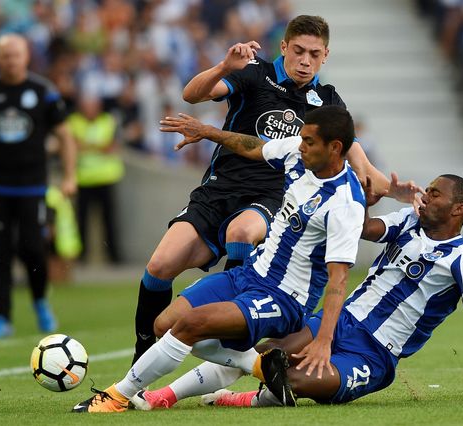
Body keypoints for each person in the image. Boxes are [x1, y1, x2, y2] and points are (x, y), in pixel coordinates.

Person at [131, 14, 419, 364]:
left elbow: (364, 167)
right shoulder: (255, 72)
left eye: (314, 54)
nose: (305, 60)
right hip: (218, 189)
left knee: (242, 230)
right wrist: (224, 65)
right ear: (284, 47)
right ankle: (142, 350)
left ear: (325, 55)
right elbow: (192, 95)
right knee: (160, 265)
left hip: (272, 197)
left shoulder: (327, 101)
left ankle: (230, 327)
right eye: (298, 51)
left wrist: (399, 193)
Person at [73, 105, 373, 413]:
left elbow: (338, 278)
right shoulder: (297, 154)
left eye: (310, 141)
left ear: (334, 147)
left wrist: (323, 342)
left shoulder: (345, 203)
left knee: (192, 324)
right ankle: (261, 365)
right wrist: (207, 132)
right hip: (250, 274)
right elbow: (255, 147)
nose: (302, 145)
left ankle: (116, 396)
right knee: (164, 324)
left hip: (285, 298)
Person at [128, 174, 463, 410]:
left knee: (294, 380)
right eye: (426, 190)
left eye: (435, 193)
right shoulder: (409, 222)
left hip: (374, 353)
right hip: (338, 321)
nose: (425, 197)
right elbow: (366, 229)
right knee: (264, 351)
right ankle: (166, 395)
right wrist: (357, 202)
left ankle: (246, 399)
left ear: (458, 209)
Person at [0, 33, 77, 338]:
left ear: (26, 57)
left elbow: (65, 135)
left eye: (16, 55)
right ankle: (2, 317)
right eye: (5, 56)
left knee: (33, 248)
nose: (10, 60)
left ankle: (39, 302)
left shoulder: (43, 92)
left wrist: (69, 176)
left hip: (32, 186)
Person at [67, 94, 124, 264]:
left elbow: (110, 147)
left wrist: (85, 145)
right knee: (81, 221)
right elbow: (72, 145)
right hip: (83, 179)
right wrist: (96, 145)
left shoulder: (108, 121)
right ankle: (81, 256)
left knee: (110, 221)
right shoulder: (73, 121)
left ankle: (114, 256)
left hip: (106, 178)